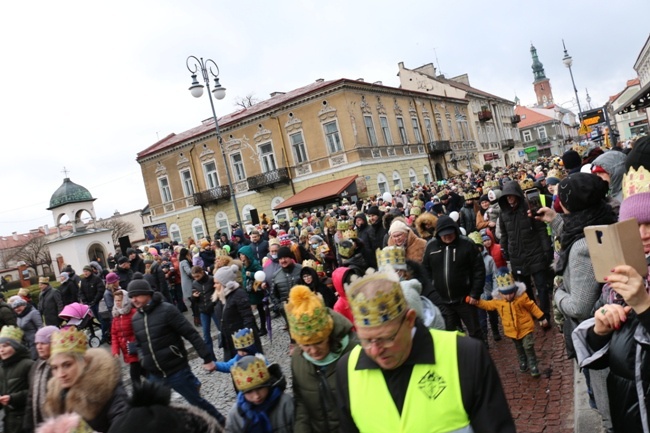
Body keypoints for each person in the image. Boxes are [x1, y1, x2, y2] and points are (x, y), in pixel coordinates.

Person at [335, 267, 515, 432]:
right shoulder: (347, 370)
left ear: (410, 319)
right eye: (366, 340)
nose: (374, 351)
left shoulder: (465, 356)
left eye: (386, 339)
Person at [571, 136, 650, 432]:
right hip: (629, 411)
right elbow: (611, 355)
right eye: (635, 223)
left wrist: (643, 304)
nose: (642, 234)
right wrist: (600, 329)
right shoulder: (623, 272)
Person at [128, 276, 225, 425]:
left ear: (148, 293)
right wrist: (143, 359)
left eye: (137, 295)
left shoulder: (167, 310)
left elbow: (190, 333)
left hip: (177, 370)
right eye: (131, 296)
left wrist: (207, 358)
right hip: (155, 375)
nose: (134, 299)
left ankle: (222, 423)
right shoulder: (135, 319)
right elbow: (139, 344)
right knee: (157, 412)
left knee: (196, 402)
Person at [286, 285, 357, 433]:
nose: (313, 351)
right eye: (306, 345)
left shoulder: (354, 353)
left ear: (329, 334)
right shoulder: (298, 360)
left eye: (319, 342)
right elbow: (301, 402)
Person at [44, 327, 127, 432]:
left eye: (67, 365)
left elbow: (124, 423)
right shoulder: (56, 395)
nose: (61, 374)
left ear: (84, 362)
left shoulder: (107, 388)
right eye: (55, 368)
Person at [468, 268, 547, 377]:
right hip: (511, 330)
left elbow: (532, 306)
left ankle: (533, 363)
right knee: (519, 347)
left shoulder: (522, 297)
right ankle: (522, 360)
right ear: (500, 293)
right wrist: (478, 302)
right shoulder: (498, 301)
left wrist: (541, 317)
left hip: (525, 327)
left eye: (511, 293)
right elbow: (488, 305)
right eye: (506, 294)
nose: (509, 296)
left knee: (528, 345)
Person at [498, 179, 554, 322]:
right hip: (517, 255)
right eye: (507, 197)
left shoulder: (530, 206)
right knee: (525, 288)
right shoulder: (503, 213)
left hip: (534, 252)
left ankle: (545, 314)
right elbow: (504, 234)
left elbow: (541, 229)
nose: (509, 199)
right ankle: (534, 312)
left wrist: (546, 248)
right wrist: (504, 249)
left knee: (541, 286)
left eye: (511, 195)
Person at [423, 215, 485, 341]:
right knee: (452, 335)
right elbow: (426, 270)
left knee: (475, 332)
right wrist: (433, 292)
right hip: (443, 301)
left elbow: (478, 270)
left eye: (449, 233)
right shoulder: (431, 247)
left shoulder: (467, 244)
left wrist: (475, 293)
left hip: (465, 299)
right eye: (443, 234)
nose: (447, 237)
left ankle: (480, 354)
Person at [106, 381, 223, 433]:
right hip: (154, 372)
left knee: (195, 399)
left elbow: (188, 333)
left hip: (175, 369)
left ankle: (221, 419)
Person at [226, 354, 294, 433]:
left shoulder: (286, 403)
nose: (256, 396)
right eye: (249, 392)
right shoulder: (235, 415)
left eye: (260, 388)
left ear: (268, 384)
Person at [213, 265, 262, 362]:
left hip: (242, 343)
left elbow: (248, 319)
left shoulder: (238, 294)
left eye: (217, 283)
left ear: (225, 283)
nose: (214, 286)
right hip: (230, 342)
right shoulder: (221, 296)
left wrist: (243, 346)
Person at [23, 326, 58, 433]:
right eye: (37, 343)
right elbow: (31, 396)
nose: (39, 347)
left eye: (43, 343)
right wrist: (27, 424)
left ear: (54, 343)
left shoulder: (59, 366)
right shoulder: (36, 366)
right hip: (39, 423)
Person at [0, 326, 34, 433]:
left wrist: (13, 398)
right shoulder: (1, 368)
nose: (1, 350)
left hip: (24, 421)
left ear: (16, 347)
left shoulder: (28, 365)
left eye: (5, 346)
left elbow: (34, 392)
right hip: (7, 420)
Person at [110, 288, 143, 386]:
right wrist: (115, 351)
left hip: (135, 348)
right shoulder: (116, 316)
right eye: (116, 300)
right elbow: (114, 335)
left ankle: (141, 394)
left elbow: (140, 329)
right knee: (143, 371)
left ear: (125, 300)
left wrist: (135, 342)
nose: (117, 303)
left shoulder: (133, 313)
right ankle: (155, 387)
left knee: (135, 375)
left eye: (119, 300)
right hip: (127, 350)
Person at [191, 266, 219, 361]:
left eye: (198, 276)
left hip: (213, 308)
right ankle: (211, 358)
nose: (196, 278)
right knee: (206, 335)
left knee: (221, 330)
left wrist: (214, 302)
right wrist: (194, 297)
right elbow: (194, 300)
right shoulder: (194, 283)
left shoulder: (211, 279)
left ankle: (229, 352)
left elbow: (217, 291)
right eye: (194, 277)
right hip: (203, 310)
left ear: (202, 272)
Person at [239, 246, 267, 337]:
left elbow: (261, 274)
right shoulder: (243, 264)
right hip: (248, 291)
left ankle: (263, 328)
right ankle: (256, 329)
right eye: (240, 254)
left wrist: (251, 274)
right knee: (249, 312)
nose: (241, 256)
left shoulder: (254, 264)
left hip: (256, 291)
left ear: (247, 255)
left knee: (260, 309)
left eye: (242, 254)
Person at [272, 247, 302, 329]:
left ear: (290, 257)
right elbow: (273, 294)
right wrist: (280, 306)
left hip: (303, 310)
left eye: (285, 257)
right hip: (288, 313)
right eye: (280, 258)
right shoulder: (276, 275)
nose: (283, 261)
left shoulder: (301, 269)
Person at [80, 264, 107, 341]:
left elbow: (100, 291)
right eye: (84, 271)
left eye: (87, 271)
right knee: (97, 319)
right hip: (89, 304)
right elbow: (81, 292)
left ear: (90, 271)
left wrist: (95, 300)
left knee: (102, 319)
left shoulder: (96, 279)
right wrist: (84, 300)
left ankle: (104, 335)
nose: (85, 273)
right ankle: (104, 332)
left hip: (97, 303)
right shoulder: (83, 281)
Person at [180, 247, 200, 326]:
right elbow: (188, 272)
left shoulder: (181, 261)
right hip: (189, 284)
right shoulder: (184, 261)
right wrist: (195, 270)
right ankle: (197, 319)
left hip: (187, 284)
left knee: (194, 302)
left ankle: (197, 318)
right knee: (194, 302)